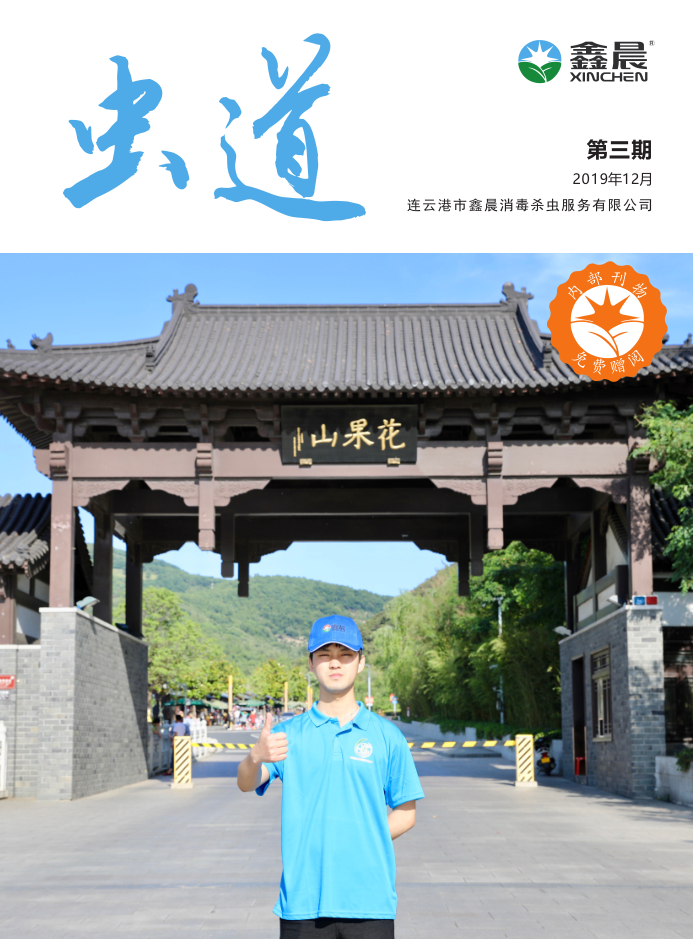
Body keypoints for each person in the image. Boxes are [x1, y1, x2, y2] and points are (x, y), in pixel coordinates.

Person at [237, 615, 424, 938]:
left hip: (370, 899)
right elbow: (246, 783)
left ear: (360, 662)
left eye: (345, 654)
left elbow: (406, 813)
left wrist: (362, 839)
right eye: (324, 655)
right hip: (303, 901)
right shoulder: (288, 734)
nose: (335, 663)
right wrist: (255, 756)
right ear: (311, 664)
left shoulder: (387, 736)